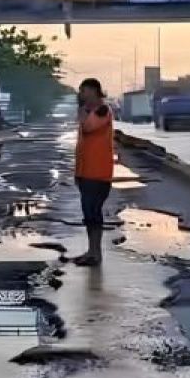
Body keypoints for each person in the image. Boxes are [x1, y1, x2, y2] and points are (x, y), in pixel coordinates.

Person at [74, 78, 115, 267]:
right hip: (85, 171)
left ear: (93, 91)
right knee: (88, 214)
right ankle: (91, 251)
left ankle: (96, 253)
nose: (81, 95)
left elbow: (88, 127)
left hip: (98, 173)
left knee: (94, 213)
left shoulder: (102, 110)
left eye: (83, 91)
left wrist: (82, 110)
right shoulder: (90, 111)